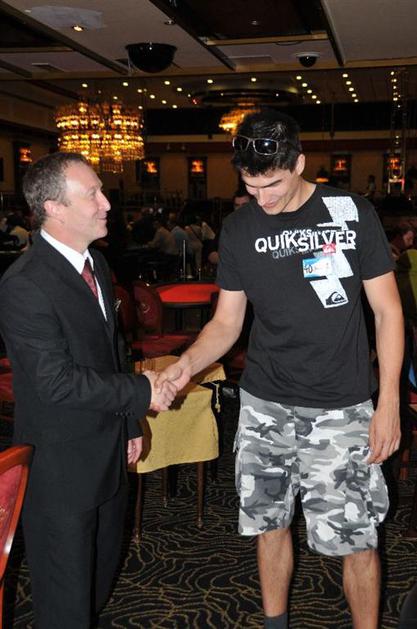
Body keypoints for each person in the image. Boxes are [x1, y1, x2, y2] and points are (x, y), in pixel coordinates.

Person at [155, 109, 404, 628]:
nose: (262, 199)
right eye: (251, 187)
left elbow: (387, 312)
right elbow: (226, 323)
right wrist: (187, 365)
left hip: (342, 406)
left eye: (272, 185)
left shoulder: (348, 212)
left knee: (356, 538)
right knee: (268, 526)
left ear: (299, 164)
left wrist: (388, 403)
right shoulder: (240, 228)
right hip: (265, 405)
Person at [0, 152, 177, 629]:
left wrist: (131, 423)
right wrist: (142, 392)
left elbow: (112, 350)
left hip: (108, 449)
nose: (107, 204)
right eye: (92, 194)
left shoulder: (95, 263)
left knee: (96, 584)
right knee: (66, 603)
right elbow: (54, 381)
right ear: (53, 208)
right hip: (62, 467)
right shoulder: (25, 284)